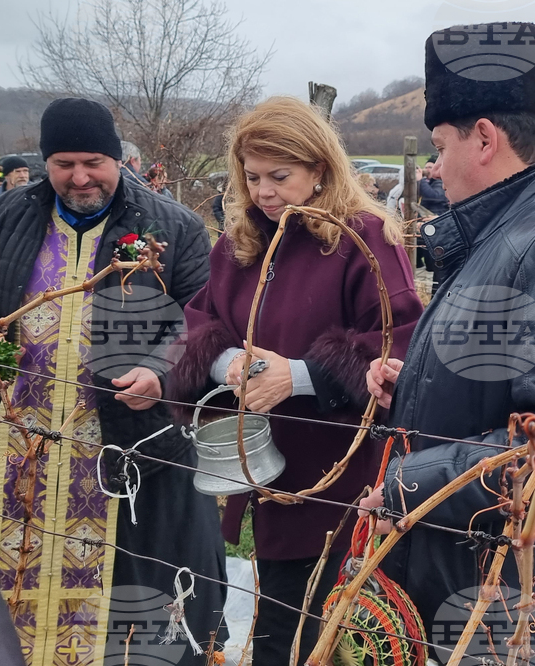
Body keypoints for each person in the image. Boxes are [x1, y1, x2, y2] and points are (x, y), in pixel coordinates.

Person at [361, 23, 535, 666]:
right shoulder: (506, 232)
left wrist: (408, 484)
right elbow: (515, 386)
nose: (433, 166)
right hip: (483, 579)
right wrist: (421, 385)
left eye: (439, 145)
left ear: (484, 138)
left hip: (515, 605)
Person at [168, 96, 423, 665]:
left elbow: (398, 347)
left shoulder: (363, 239)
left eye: (280, 176)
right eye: (252, 176)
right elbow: (201, 322)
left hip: (345, 481)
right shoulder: (240, 244)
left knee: (338, 633)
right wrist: (224, 362)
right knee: (282, 633)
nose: (263, 192)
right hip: (270, 476)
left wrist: (301, 376)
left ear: (320, 170)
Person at [0, 97, 224, 664]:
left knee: (133, 607)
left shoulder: (174, 227)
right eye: (64, 163)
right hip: (22, 447)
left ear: (117, 158)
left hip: (126, 450)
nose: (79, 177)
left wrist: (163, 376)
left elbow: (212, 326)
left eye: (93, 161)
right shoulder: (6, 217)